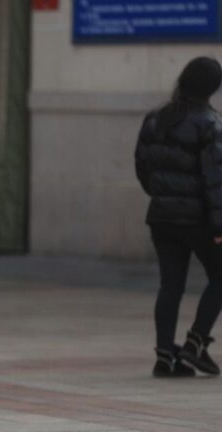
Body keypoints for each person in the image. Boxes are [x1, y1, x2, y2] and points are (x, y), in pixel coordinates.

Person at [135, 56, 222, 378]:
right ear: (212, 88)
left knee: (170, 286)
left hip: (161, 216)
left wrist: (162, 195)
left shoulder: (155, 119)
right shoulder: (211, 124)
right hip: (197, 219)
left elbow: (142, 167)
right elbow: (216, 181)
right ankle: (195, 345)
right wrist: (218, 225)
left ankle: (164, 356)